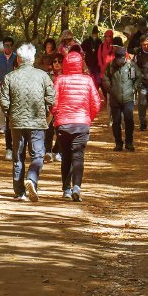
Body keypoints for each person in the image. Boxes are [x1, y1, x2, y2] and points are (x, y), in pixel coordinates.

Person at [0, 43, 56, 203]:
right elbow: (51, 96)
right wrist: (45, 112)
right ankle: (31, 178)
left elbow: (4, 100)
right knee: (38, 155)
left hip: (16, 123)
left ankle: (19, 192)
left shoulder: (10, 76)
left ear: (18, 58)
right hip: (37, 122)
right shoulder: (43, 76)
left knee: (18, 157)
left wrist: (10, 114)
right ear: (33, 59)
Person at [52, 51, 101, 201]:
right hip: (81, 124)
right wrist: (88, 119)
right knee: (78, 157)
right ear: (80, 64)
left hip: (63, 125)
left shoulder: (60, 80)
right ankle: (77, 187)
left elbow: (53, 104)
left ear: (65, 63)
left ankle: (66, 189)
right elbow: (96, 104)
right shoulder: (87, 80)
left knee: (66, 157)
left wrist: (56, 116)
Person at [103, 45, 139, 151]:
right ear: (116, 57)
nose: (121, 61)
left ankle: (129, 142)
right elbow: (105, 79)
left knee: (129, 120)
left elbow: (138, 77)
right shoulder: (110, 66)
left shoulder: (131, 66)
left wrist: (134, 88)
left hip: (128, 98)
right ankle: (118, 143)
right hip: (115, 99)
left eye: (122, 58)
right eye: (119, 58)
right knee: (116, 121)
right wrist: (111, 90)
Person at [0, 39, 18, 158]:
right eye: (5, 45)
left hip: (14, 87)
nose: (7, 47)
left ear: (12, 47)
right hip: (2, 85)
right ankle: (2, 127)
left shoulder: (16, 57)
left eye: (9, 45)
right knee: (2, 107)